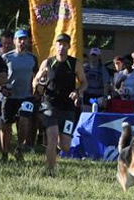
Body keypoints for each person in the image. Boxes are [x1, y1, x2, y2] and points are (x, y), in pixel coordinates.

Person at [32, 33, 87, 177]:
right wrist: (38, 84)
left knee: (65, 146)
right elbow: (36, 80)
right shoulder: (47, 63)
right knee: (52, 136)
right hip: (49, 105)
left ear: (69, 46)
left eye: (64, 44)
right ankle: (50, 171)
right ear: (55, 46)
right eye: (59, 44)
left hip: (68, 107)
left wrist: (77, 92)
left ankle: (55, 149)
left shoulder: (74, 63)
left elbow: (84, 82)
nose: (61, 47)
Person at [0, 29, 38, 161]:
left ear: (28, 41)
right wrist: (3, 88)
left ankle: (19, 148)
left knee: (24, 121)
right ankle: (4, 152)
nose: (22, 42)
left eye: (24, 39)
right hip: (10, 96)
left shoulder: (33, 58)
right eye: (19, 39)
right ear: (14, 41)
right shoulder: (6, 57)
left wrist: (37, 87)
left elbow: (37, 76)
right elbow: (0, 77)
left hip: (26, 96)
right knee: (6, 126)